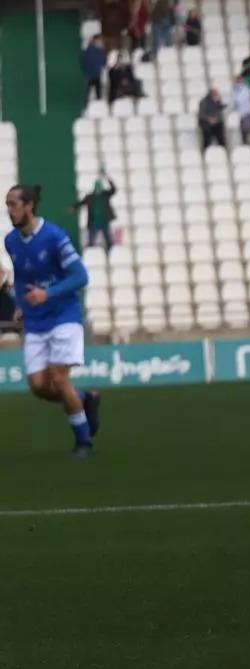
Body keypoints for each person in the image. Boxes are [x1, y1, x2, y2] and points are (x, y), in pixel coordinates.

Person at [4, 185, 100, 458]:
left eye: (13, 204)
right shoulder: (11, 241)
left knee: (59, 378)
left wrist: (48, 293)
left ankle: (84, 443)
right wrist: (21, 305)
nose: (9, 210)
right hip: (35, 322)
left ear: (29, 205)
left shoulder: (54, 236)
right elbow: (22, 278)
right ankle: (85, 399)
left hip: (63, 317)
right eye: (7, 204)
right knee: (38, 385)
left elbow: (80, 276)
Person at [69, 176, 118, 251]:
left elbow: (113, 190)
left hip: (104, 220)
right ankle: (91, 252)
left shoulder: (105, 195)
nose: (98, 189)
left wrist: (109, 180)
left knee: (108, 238)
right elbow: (82, 203)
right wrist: (74, 206)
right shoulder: (90, 197)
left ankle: (110, 252)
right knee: (91, 239)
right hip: (94, 220)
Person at [230, 76, 250, 146]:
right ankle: (246, 144)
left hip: (248, 112)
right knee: (243, 130)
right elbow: (234, 103)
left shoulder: (247, 89)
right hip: (241, 114)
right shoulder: (235, 91)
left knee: (246, 129)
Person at [80, 36, 106, 104]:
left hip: (94, 74)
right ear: (95, 42)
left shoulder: (98, 51)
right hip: (91, 74)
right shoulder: (89, 51)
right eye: (99, 41)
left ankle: (90, 105)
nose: (101, 43)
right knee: (92, 93)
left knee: (95, 92)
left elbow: (103, 63)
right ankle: (87, 105)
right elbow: (103, 63)